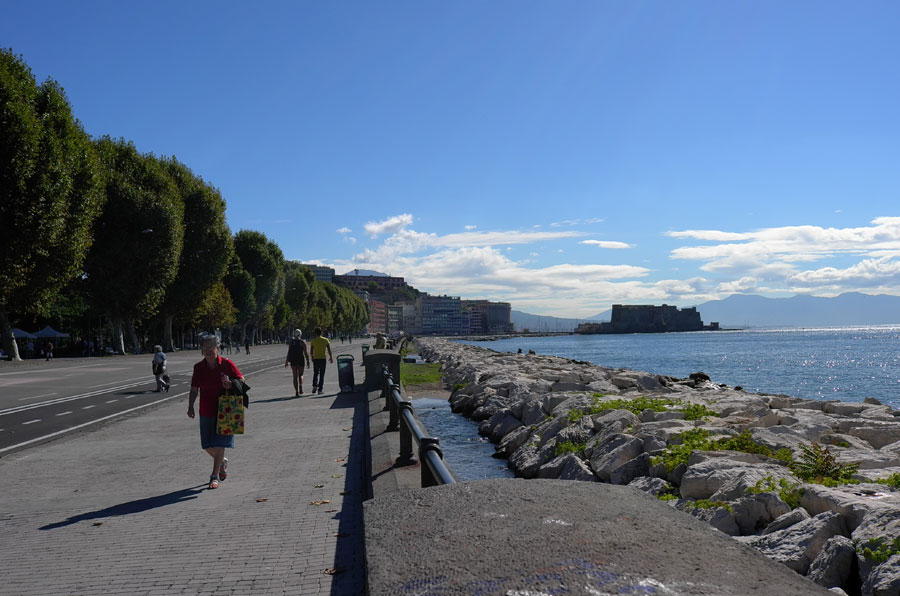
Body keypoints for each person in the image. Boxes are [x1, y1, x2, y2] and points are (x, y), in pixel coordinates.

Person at [187, 336, 244, 489]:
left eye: (211, 348)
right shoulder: (198, 367)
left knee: (220, 443)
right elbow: (194, 389)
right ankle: (223, 461)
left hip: (225, 410)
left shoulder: (226, 364)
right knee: (206, 444)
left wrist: (230, 383)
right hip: (206, 409)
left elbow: (242, 380)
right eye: (205, 348)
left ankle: (214, 476)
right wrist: (190, 406)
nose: (208, 351)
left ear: (218, 348)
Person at [284, 329, 310, 396]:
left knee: (295, 376)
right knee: (301, 375)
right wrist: (308, 361)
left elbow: (289, 352)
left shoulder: (291, 342)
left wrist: (286, 361)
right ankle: (300, 387)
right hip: (301, 360)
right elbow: (306, 353)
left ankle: (296, 391)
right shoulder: (302, 342)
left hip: (293, 361)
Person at [309, 327, 333, 394]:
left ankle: (314, 385)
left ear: (315, 333)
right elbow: (329, 349)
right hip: (323, 358)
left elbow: (311, 351)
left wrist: (312, 357)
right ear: (321, 332)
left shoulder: (313, 341)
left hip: (316, 359)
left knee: (316, 373)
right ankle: (320, 389)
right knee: (322, 375)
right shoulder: (325, 340)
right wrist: (331, 357)